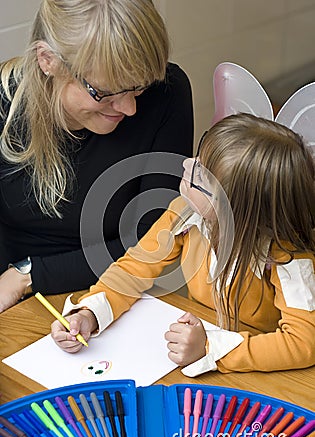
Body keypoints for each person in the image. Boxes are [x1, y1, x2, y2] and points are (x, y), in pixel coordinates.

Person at [51, 113, 315, 374]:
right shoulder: (184, 212)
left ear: (232, 210)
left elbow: (303, 343)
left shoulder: (288, 257)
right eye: (199, 155)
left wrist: (210, 347)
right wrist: (89, 313)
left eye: (199, 177)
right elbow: (133, 270)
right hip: (199, 354)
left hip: (265, 377)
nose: (187, 164)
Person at [0, 0, 194, 312]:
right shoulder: (4, 104)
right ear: (48, 60)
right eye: (104, 93)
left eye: (138, 88)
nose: (130, 109)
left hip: (119, 288)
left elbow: (155, 239)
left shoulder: (166, 94)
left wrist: (29, 274)